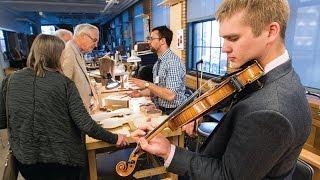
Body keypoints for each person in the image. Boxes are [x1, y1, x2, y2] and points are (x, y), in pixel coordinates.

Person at [131, 0, 312, 179]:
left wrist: (168, 151)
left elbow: (227, 176)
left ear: (271, 31)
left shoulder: (271, 111)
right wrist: (191, 115)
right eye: (224, 38)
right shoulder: (263, 74)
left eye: (233, 38)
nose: (224, 48)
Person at [0, 34, 128, 179]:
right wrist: (115, 138)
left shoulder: (10, 81)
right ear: (56, 55)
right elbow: (85, 124)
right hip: (62, 160)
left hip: (26, 160)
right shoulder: (64, 83)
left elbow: (2, 121)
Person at [129, 26, 187, 115]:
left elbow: (170, 95)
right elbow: (158, 90)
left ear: (162, 41)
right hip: (160, 109)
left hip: (173, 112)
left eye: (151, 39)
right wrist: (140, 93)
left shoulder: (173, 62)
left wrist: (146, 84)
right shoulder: (158, 63)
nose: (149, 42)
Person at [62, 23, 99, 112]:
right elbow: (63, 88)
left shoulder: (78, 51)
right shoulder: (68, 52)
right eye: (94, 40)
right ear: (83, 36)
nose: (96, 45)